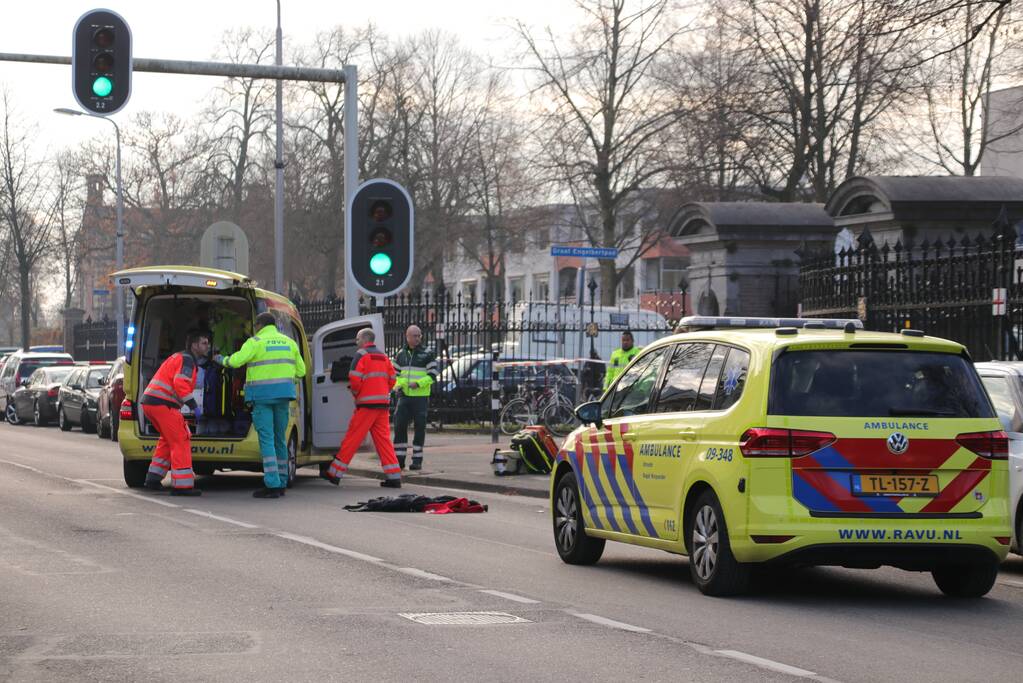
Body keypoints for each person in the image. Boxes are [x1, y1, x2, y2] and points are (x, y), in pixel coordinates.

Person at [214, 311, 305, 499]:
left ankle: (271, 485)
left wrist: (221, 360)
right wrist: (287, 381)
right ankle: (281, 481)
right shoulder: (290, 343)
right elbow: (302, 371)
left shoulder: (255, 342)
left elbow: (236, 361)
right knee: (280, 438)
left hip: (262, 398)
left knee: (267, 439)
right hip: (284, 397)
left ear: (259, 326)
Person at [322, 328, 402, 488]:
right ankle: (394, 477)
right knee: (384, 441)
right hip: (382, 405)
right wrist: (381, 390)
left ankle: (335, 473)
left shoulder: (361, 355)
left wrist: (356, 393)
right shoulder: (384, 357)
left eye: (357, 339)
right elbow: (393, 379)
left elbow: (355, 379)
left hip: (366, 406)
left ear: (364, 340)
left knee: (352, 439)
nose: (356, 342)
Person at [141, 330, 209, 496]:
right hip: (163, 404)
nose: (208, 346)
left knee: (167, 439)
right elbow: (180, 384)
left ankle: (153, 478)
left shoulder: (181, 357)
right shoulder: (187, 360)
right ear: (194, 345)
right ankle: (182, 486)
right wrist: (194, 407)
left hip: (151, 403)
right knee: (180, 439)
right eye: (204, 343)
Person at [392, 324, 438, 470]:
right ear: (407, 337)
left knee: (419, 429)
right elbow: (394, 376)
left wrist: (418, 384)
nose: (418, 338)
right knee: (399, 427)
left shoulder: (428, 353)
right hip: (404, 396)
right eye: (415, 336)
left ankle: (417, 460)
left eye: (419, 336)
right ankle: (399, 459)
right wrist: (399, 386)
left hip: (420, 397)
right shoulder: (400, 354)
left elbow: (433, 375)